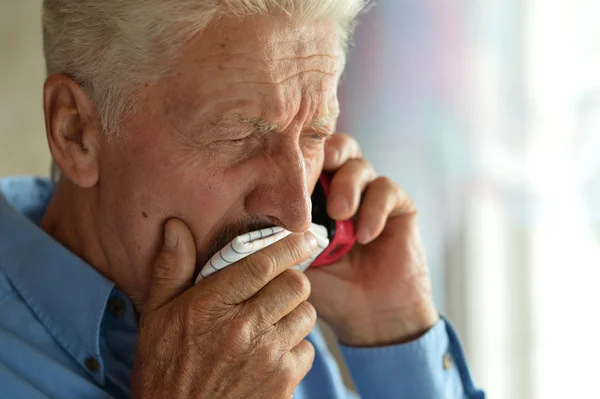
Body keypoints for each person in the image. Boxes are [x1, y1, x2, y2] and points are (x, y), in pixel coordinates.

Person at [0, 1, 484, 398]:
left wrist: (395, 331)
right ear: (76, 130)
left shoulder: (267, 318)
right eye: (237, 138)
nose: (297, 211)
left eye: (315, 133)